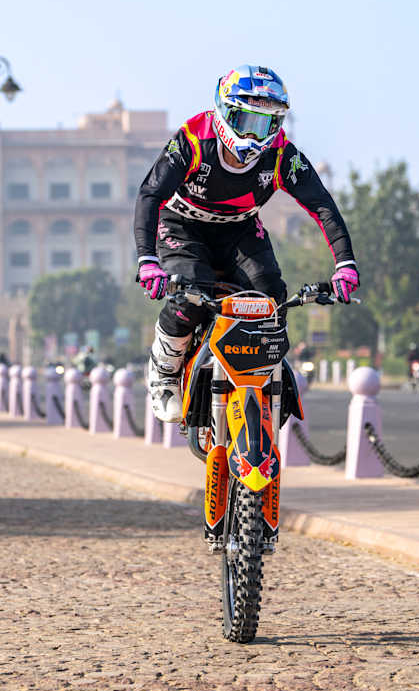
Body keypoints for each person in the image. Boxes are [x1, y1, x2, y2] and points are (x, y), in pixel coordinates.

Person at [135, 64, 359, 422]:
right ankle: (164, 369)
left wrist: (345, 263)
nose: (257, 136)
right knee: (191, 293)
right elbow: (150, 195)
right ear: (224, 113)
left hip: (239, 229)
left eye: (267, 124)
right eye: (247, 122)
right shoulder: (193, 139)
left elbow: (322, 205)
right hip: (182, 227)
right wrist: (148, 260)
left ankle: (268, 373)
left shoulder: (282, 153)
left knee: (271, 297)